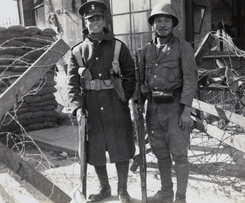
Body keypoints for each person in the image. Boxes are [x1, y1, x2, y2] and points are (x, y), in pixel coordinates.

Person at [67, 1, 136, 203]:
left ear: (104, 21)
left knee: (121, 148)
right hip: (91, 108)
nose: (94, 22)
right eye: (90, 20)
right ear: (85, 23)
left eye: (98, 18)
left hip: (116, 106)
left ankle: (122, 190)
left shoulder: (118, 47)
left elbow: (130, 76)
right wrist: (77, 108)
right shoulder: (77, 51)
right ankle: (104, 188)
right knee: (95, 150)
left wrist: (124, 99)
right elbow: (72, 83)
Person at [138, 3, 197, 203]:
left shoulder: (183, 47)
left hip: (175, 108)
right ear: (152, 25)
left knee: (179, 155)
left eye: (167, 20)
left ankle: (180, 198)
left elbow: (190, 80)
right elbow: (141, 82)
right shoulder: (146, 50)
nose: (162, 24)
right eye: (158, 21)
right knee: (161, 153)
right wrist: (138, 103)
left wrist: (186, 110)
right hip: (153, 109)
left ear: (173, 24)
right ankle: (166, 192)